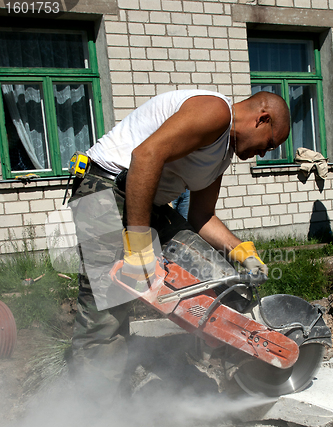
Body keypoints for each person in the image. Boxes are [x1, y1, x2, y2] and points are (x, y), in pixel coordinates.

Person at [68, 89, 290, 403]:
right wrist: (139, 245)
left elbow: (201, 216)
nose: (265, 153)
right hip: (104, 191)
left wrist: (241, 250)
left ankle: (244, 375)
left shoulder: (222, 152)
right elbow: (145, 155)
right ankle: (96, 424)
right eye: (270, 143)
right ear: (262, 119)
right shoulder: (215, 112)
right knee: (107, 314)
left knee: (222, 281)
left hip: (146, 204)